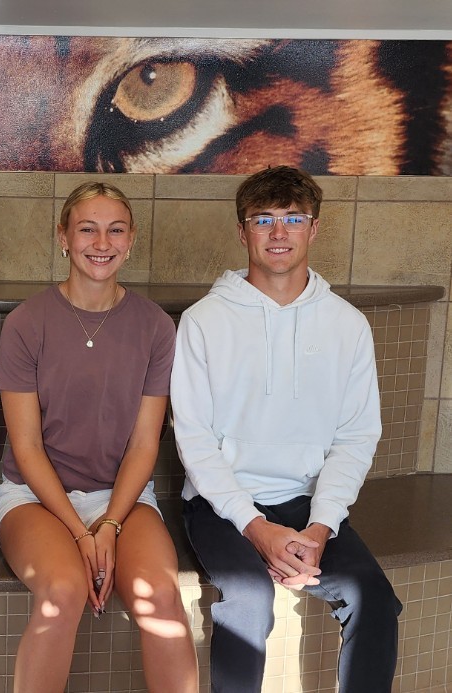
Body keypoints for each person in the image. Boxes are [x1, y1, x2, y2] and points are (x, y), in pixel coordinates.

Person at [172, 165, 402, 692]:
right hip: (221, 505)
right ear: (242, 231)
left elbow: (355, 437)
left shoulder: (346, 324)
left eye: (293, 219)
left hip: (307, 500)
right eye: (264, 220)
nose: (279, 233)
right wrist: (257, 529)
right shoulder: (203, 321)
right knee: (248, 599)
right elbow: (196, 441)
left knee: (372, 596)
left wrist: (319, 529)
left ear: (314, 229)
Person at [0, 181, 199, 693]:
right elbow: (27, 447)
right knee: (61, 591)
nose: (101, 242)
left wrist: (108, 523)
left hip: (123, 499)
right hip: (34, 499)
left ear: (131, 241)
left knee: (161, 597)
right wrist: (81, 532)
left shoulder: (155, 327)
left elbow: (145, 443)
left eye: (115, 230)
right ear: (63, 236)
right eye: (87, 229)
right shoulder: (26, 323)